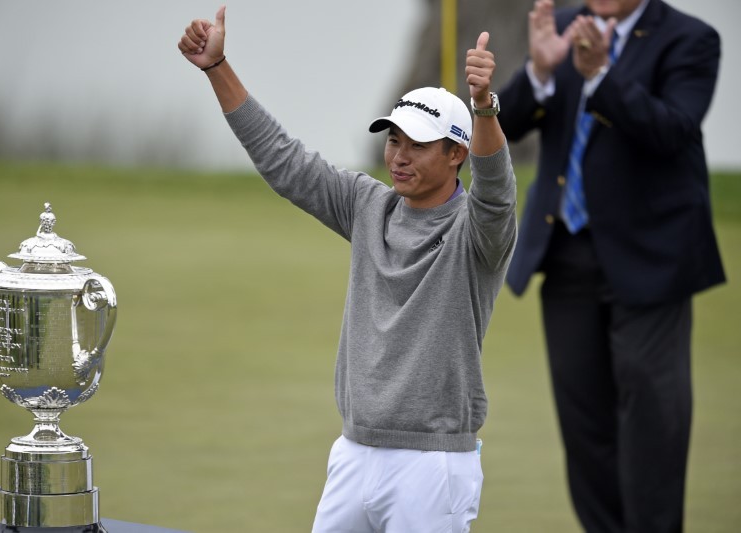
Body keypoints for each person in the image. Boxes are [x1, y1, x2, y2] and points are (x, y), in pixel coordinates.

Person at [178, 6, 516, 531]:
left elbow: (497, 193)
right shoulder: (367, 206)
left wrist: (485, 110)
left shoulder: (477, 234)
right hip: (354, 453)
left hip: (433, 465)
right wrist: (216, 67)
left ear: (455, 154)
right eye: (394, 140)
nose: (399, 156)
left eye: (417, 145)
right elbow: (283, 159)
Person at [496, 0, 725, 531]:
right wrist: (540, 70)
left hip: (651, 261)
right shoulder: (560, 27)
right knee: (585, 429)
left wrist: (600, 73)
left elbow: (672, 130)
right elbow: (501, 123)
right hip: (566, 253)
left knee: (654, 426)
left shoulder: (690, 39)